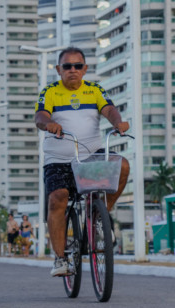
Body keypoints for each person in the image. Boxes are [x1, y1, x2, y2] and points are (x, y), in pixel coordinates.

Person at [35, 46, 130, 277]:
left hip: (90, 155)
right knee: (58, 199)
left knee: (123, 165)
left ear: (85, 69)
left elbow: (109, 110)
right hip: (58, 159)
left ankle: (101, 215)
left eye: (78, 66)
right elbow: (40, 116)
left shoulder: (95, 90)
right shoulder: (50, 92)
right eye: (67, 66)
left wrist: (118, 122)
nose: (73, 70)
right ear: (59, 69)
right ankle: (59, 259)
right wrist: (48, 124)